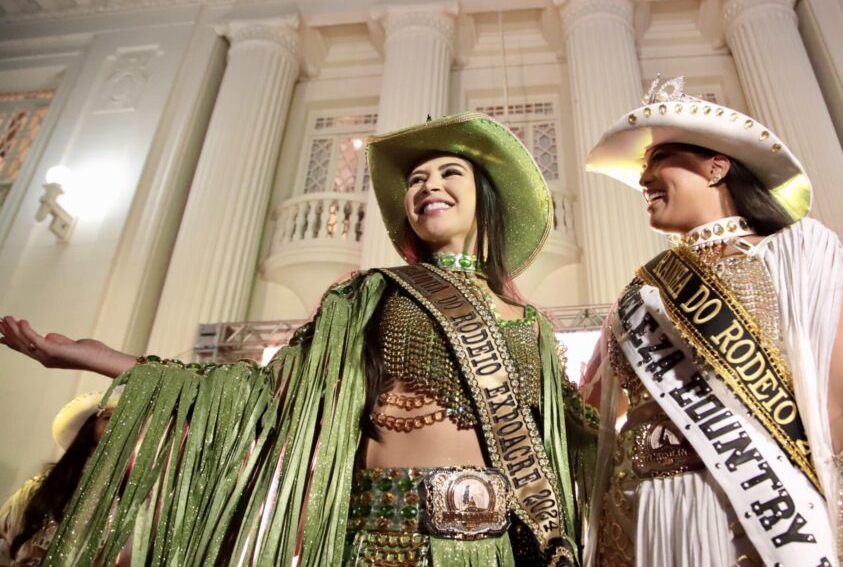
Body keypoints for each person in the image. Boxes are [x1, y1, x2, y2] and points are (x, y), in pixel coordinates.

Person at [0, 112, 596, 566]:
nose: (426, 186)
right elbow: (267, 390)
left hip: (494, 549)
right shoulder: (371, 294)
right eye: (415, 179)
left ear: (483, 195)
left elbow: (573, 438)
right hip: (381, 536)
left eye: (449, 173)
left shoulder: (532, 328)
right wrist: (107, 359)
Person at [579, 76, 843, 566]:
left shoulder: (797, 250)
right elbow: (588, 411)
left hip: (762, 514)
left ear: (716, 167)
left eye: (659, 161)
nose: (644, 180)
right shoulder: (638, 294)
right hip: (644, 521)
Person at [0, 392, 117, 567]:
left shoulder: (134, 501)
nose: (120, 426)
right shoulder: (38, 489)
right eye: (109, 418)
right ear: (90, 426)